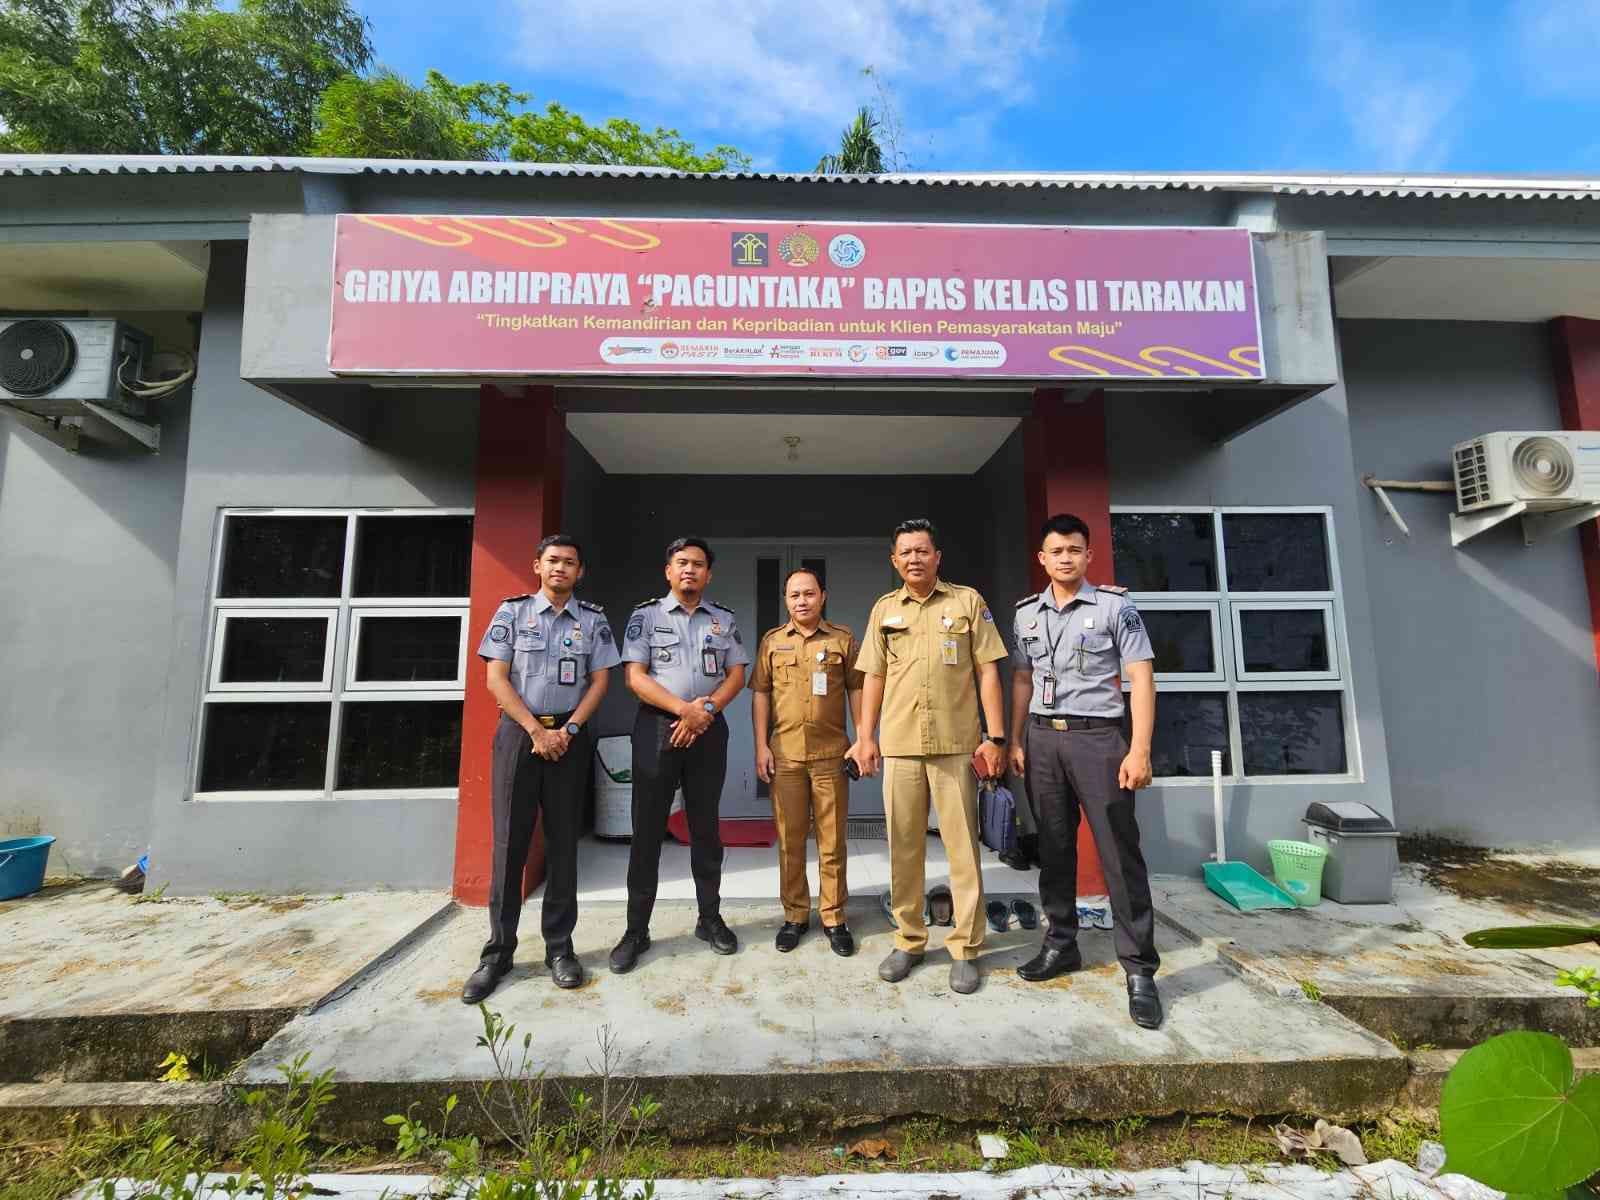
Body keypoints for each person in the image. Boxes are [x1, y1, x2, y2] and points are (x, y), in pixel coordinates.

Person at [1007, 513, 1163, 1029]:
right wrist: (1014, 740)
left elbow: (1141, 679)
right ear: (1043, 559)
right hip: (1042, 739)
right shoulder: (1026, 615)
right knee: (1053, 848)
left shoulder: (1117, 608)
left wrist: (1138, 750)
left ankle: (1139, 969)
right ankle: (1061, 944)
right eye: (1057, 551)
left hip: (1100, 740)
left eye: (1075, 549)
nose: (1066, 558)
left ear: (1088, 555)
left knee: (1119, 852)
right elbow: (1023, 681)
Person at [847, 519, 1009, 995]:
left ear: (938, 556)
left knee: (963, 850)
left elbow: (988, 671)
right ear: (894, 561)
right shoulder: (883, 610)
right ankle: (909, 939)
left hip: (956, 744)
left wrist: (995, 737)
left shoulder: (967, 602)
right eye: (905, 553)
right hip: (898, 744)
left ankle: (965, 948)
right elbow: (872, 677)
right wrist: (865, 736)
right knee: (903, 848)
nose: (914, 558)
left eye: (922, 550)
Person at [462, 534, 618, 1003]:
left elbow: (601, 680)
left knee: (563, 846)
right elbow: (495, 677)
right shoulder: (513, 613)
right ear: (537, 566)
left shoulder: (593, 620)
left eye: (570, 562)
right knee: (510, 845)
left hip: (568, 739)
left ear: (580, 571)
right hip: (519, 737)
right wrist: (535, 731)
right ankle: (498, 953)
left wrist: (567, 731)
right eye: (552, 561)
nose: (560, 568)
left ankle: (560, 949)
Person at [611, 537, 749, 973]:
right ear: (668, 571)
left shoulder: (723, 620)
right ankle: (637, 930)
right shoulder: (645, 616)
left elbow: (736, 674)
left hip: (708, 728)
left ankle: (710, 919)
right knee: (647, 830)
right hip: (657, 728)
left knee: (706, 827)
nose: (690, 570)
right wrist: (684, 711)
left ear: (708, 574)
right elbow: (635, 677)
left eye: (699, 564)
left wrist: (704, 711)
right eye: (682, 563)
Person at [750, 568, 864, 956]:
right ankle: (795, 915)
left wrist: (864, 738)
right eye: (795, 595)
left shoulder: (842, 639)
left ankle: (834, 917)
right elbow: (761, 693)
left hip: (831, 756)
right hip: (785, 756)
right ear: (786, 600)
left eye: (809, 594)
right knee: (791, 841)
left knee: (832, 842)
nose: (802, 601)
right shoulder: (771, 642)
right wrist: (760, 746)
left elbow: (857, 689)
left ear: (823, 597)